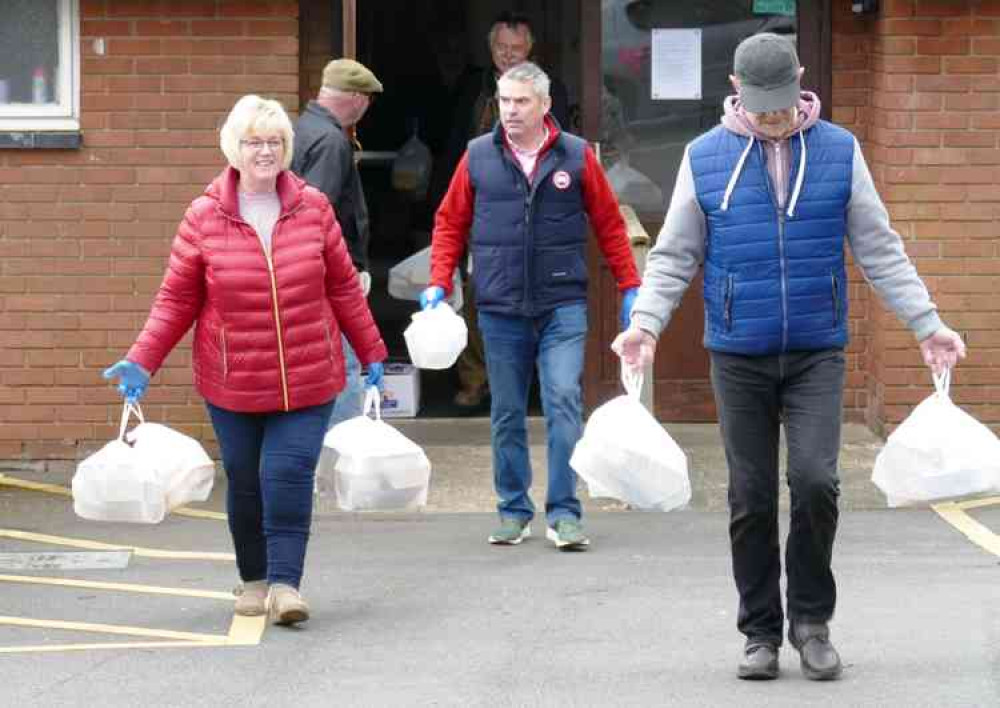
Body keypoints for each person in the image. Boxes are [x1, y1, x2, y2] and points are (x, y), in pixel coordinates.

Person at [613, 33, 967, 680]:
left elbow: (879, 247)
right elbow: (674, 254)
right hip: (738, 352)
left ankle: (811, 620)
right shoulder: (705, 156)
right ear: (735, 88)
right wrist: (645, 325)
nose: (774, 117)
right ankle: (759, 632)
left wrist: (927, 324)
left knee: (815, 483)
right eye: (762, 106)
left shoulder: (838, 151)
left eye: (782, 104)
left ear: (800, 81)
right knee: (749, 495)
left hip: (815, 351)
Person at [104, 95, 388, 626]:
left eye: (275, 141)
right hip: (233, 378)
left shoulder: (313, 207)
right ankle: (253, 578)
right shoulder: (204, 216)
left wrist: (371, 349)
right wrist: (141, 360)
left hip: (308, 374)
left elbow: (344, 287)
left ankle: (285, 585)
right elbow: (176, 299)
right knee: (245, 477)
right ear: (234, 147)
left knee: (286, 472)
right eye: (254, 141)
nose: (265, 151)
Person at [422, 62, 640, 551]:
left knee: (563, 400)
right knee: (506, 412)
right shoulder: (478, 156)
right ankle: (513, 510)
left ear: (544, 105)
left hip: (562, 302)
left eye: (521, 101)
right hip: (499, 305)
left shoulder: (577, 156)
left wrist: (631, 285)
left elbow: (608, 223)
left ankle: (564, 513)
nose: (511, 111)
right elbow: (449, 223)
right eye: (504, 101)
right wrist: (439, 281)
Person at [440, 10, 572, 412]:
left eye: (517, 48)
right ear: (490, 49)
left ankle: (526, 384)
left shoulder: (552, 92)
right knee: (478, 296)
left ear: (530, 50)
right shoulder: (471, 86)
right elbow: (451, 145)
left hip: (535, 213)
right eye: (502, 48)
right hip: (480, 209)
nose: (509, 55)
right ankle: (476, 379)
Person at [291, 59, 383, 428]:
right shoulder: (331, 142)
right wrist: (348, 273)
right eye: (368, 102)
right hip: (328, 276)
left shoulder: (301, 130)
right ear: (357, 99)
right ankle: (340, 463)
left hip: (305, 273)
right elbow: (320, 213)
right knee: (342, 366)